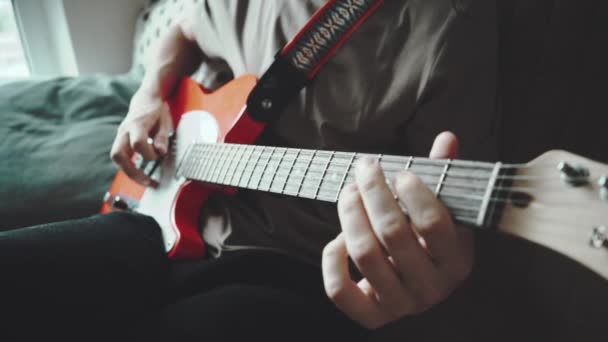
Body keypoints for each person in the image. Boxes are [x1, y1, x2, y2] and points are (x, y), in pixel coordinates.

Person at [0, 0, 498, 341]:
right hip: (155, 220)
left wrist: (437, 261)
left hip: (289, 272)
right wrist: (147, 96)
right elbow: (184, 28)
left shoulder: (451, 27)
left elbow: (442, 205)